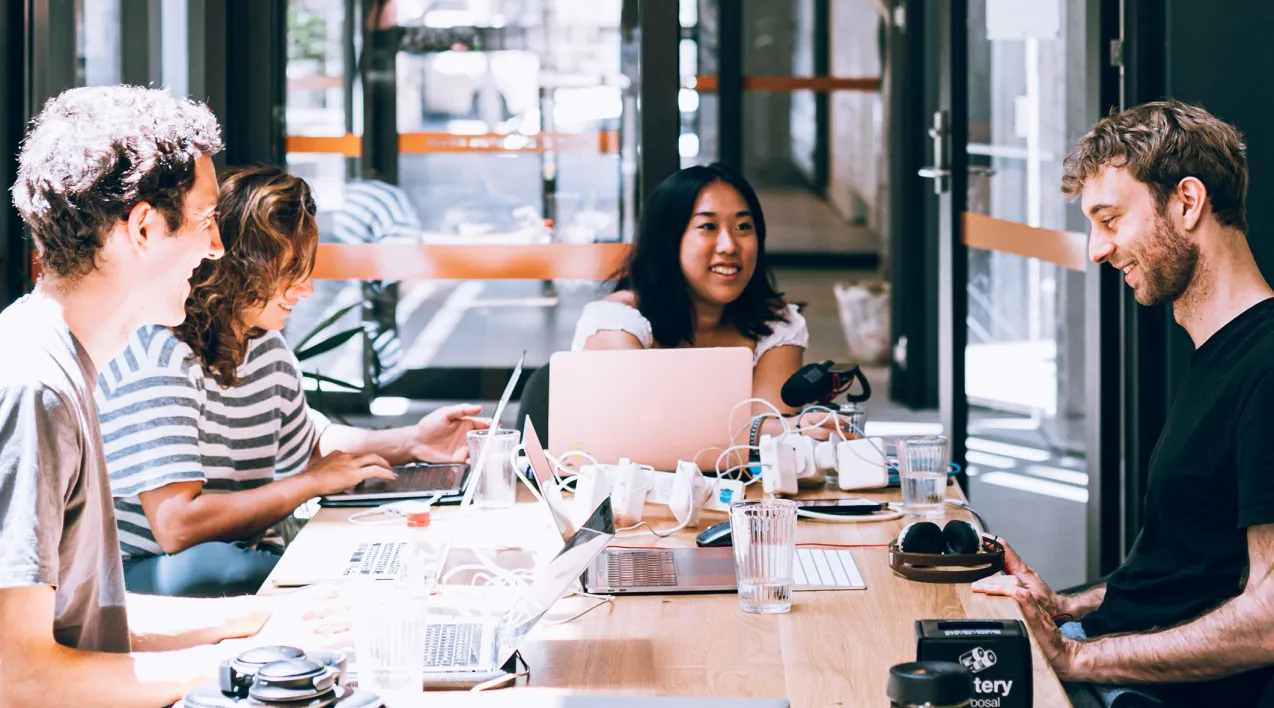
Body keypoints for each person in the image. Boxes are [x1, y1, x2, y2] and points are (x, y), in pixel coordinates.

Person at [0, 85, 334, 707]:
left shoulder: (65, 364)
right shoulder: (34, 388)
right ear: (145, 228)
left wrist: (267, 622)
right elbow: (20, 678)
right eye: (208, 221)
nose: (216, 249)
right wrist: (233, 664)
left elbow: (84, 624)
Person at [973, 100, 1274, 708]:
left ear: (1187, 203)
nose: (1097, 250)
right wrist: (1063, 606)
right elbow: (1186, 578)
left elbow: (1269, 620)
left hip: (1137, 691)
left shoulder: (1267, 367)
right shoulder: (1218, 356)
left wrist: (1077, 657)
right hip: (1106, 655)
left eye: (1109, 219)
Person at [94, 164, 488, 598]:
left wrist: (412, 441)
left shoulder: (266, 349)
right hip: (141, 575)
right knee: (221, 568)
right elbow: (177, 527)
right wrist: (310, 484)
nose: (306, 290)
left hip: (233, 557)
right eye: (290, 271)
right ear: (240, 268)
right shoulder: (160, 356)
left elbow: (312, 444)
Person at [572, 163, 846, 444]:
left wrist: (787, 428)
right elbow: (643, 430)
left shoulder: (775, 324)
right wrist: (770, 429)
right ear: (669, 239)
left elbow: (771, 440)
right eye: (708, 227)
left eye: (743, 226)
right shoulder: (616, 322)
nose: (728, 245)